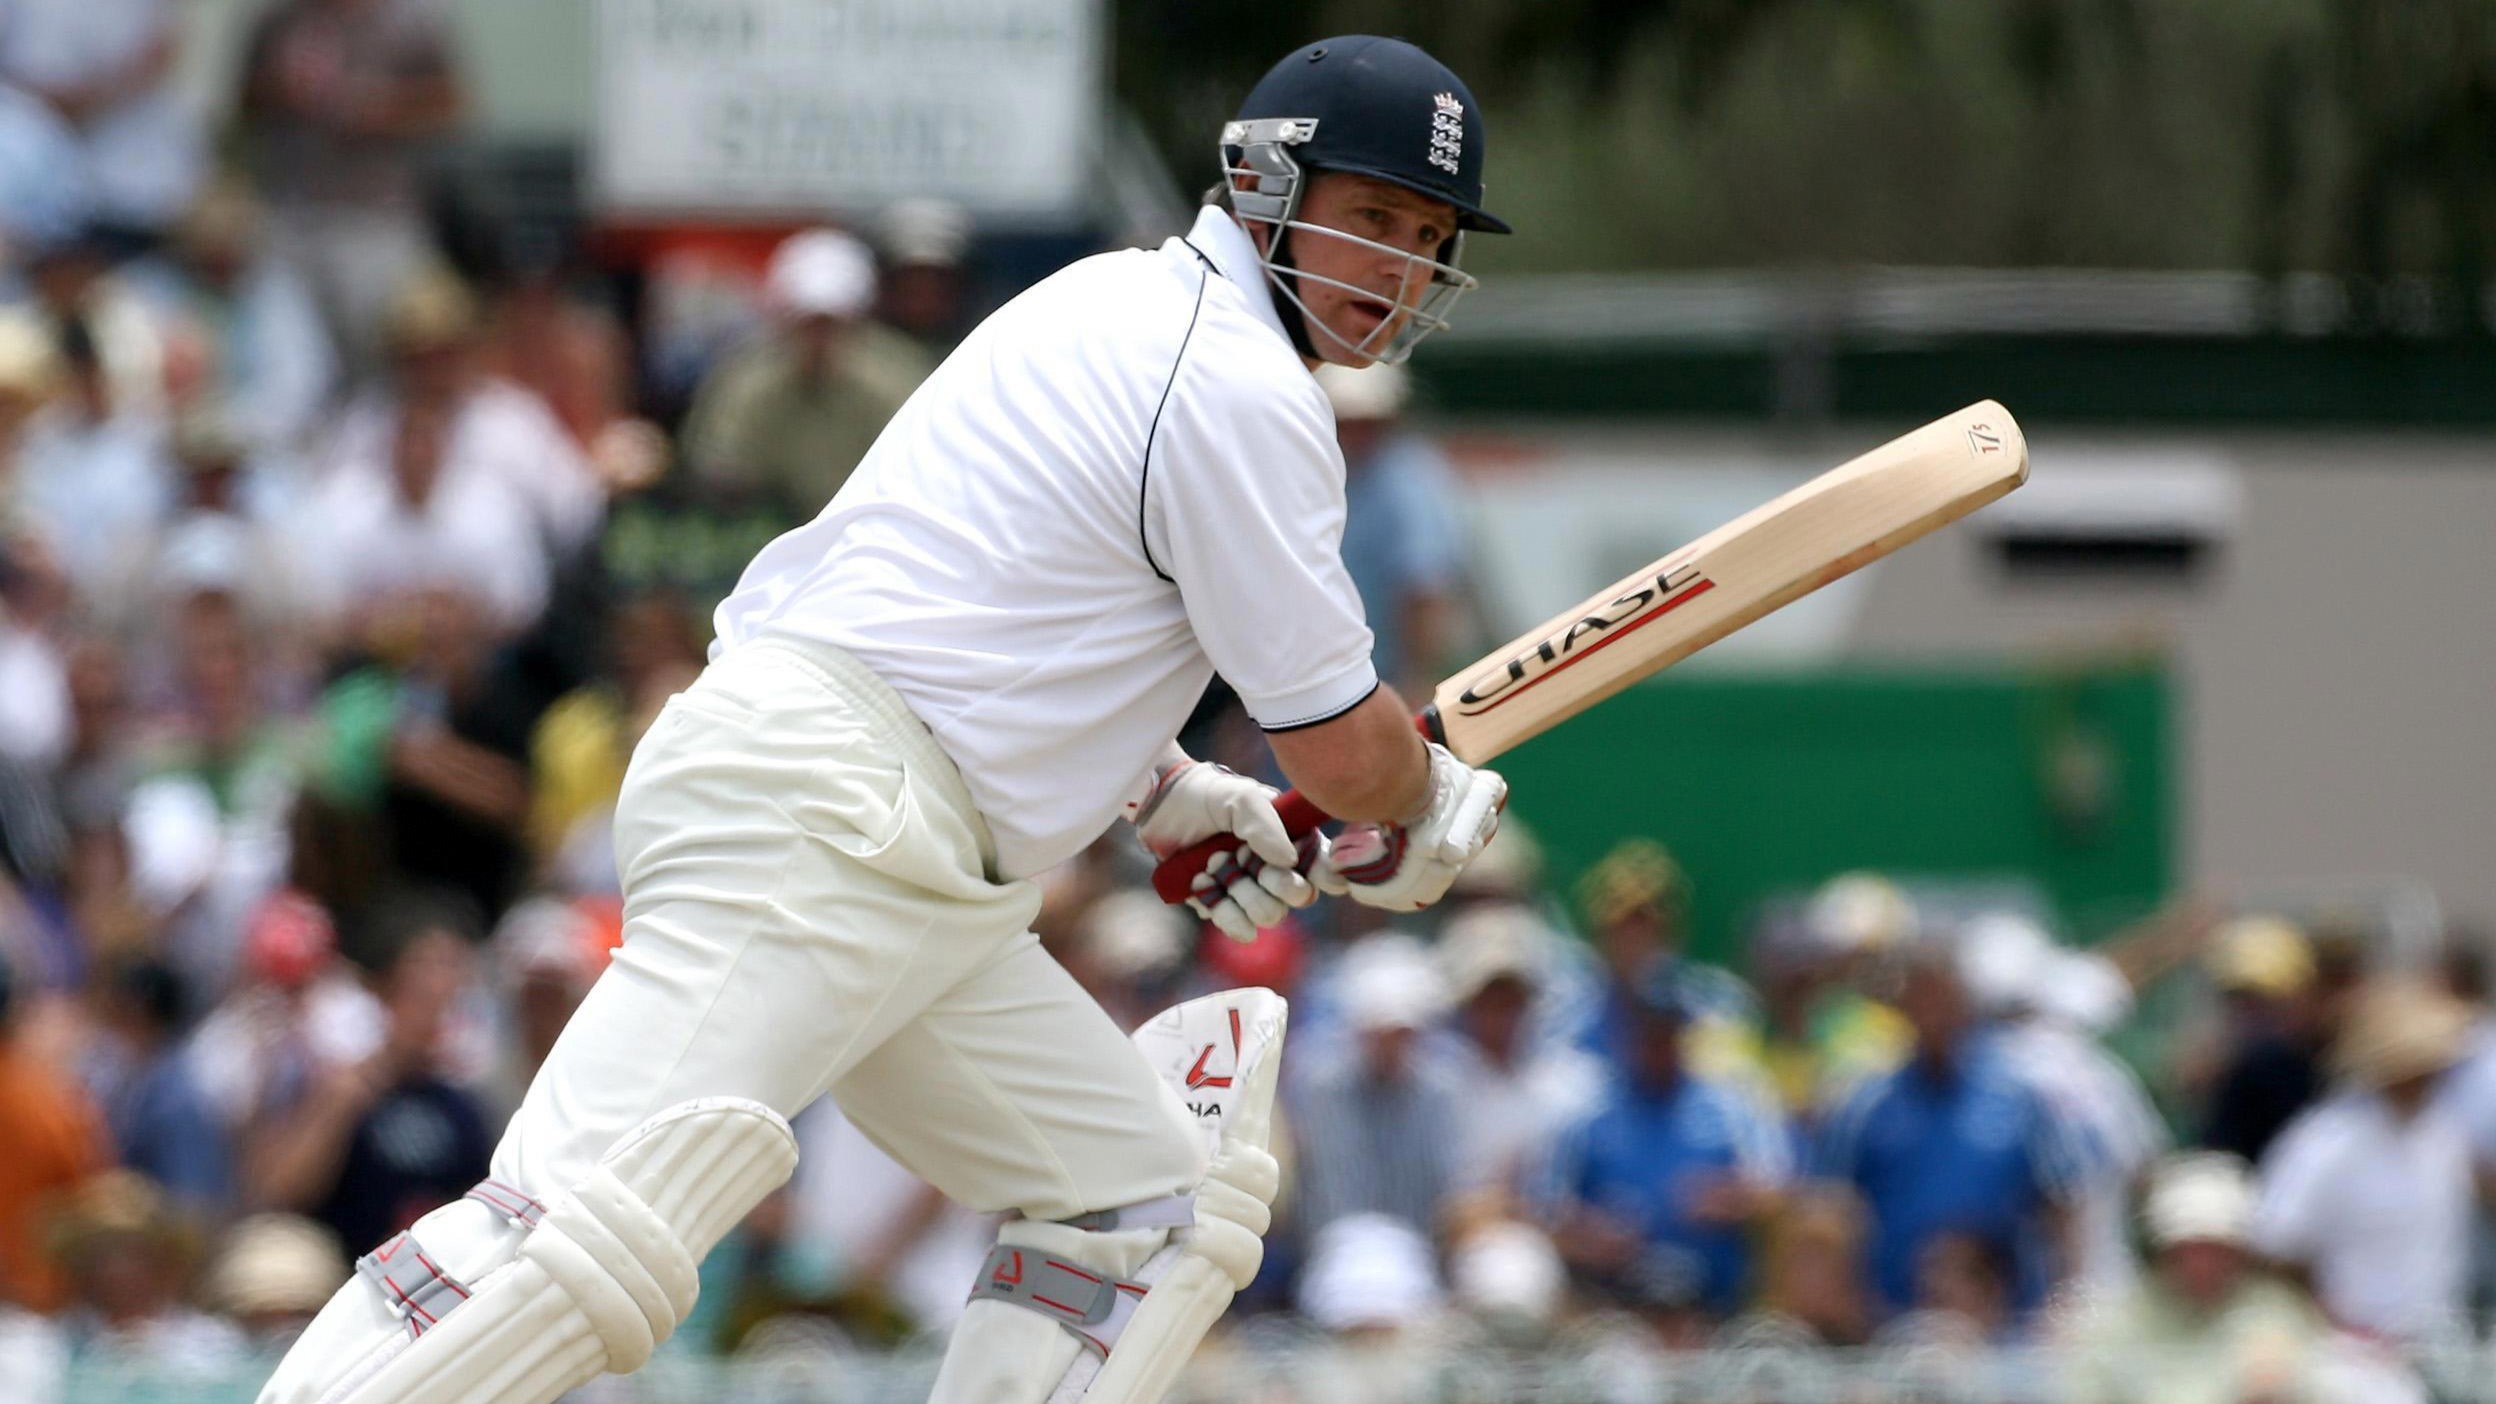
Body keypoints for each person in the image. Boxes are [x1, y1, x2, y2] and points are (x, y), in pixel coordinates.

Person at [260, 34, 1512, 1404]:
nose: (1398, 267)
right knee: (575, 1242)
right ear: (1265, 187)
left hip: (898, 851)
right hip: (832, 821)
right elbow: (1341, 749)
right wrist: (1418, 803)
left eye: (1429, 237)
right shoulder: (1241, 387)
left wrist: (1161, 789)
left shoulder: (1106, 300)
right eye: (1375, 219)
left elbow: (990, 610)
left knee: (1141, 1214)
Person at [1813, 942, 2091, 1323]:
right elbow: (1830, 1211)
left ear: (1965, 1003)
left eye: (1940, 996)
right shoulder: (1866, 1105)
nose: (1931, 1012)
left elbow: (2062, 1208)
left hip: (2006, 1326)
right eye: (1919, 998)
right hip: (1891, 1326)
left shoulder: (2021, 1098)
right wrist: (1853, 1310)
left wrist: (2063, 1309)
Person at [1540, 966, 1793, 1325]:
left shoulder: (1729, 1106)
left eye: (1668, 1032)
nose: (1659, 1044)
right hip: (1614, 1306)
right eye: (1648, 1032)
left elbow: (1780, 1192)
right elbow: (1547, 1213)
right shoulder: (1588, 1114)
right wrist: (1589, 1234)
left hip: (1716, 1300)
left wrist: (1729, 1198)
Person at [2252, 978, 2475, 1347]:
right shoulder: (2324, 1142)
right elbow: (2277, 1248)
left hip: (2439, 1340)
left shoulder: (2443, 1129)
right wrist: (2336, 1325)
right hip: (2350, 1352)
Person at [679, 226, 934, 515]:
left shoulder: (900, 380)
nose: (819, 338)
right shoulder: (745, 384)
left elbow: (921, 472)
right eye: (807, 323)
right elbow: (717, 471)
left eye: (832, 324)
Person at [2063, 1153, 2331, 1404]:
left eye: (2217, 1251)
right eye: (2191, 1250)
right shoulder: (2114, 1326)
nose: (2204, 1265)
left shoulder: (2277, 1316)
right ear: (2164, 1253)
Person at [1313, 360, 1466, 699]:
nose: (1356, 434)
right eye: (1346, 421)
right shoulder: (1330, 476)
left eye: (1366, 422)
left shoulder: (1409, 481)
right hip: (1325, 681)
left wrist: (1417, 684)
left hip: (1381, 686)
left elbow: (1425, 591)